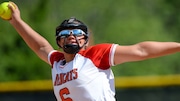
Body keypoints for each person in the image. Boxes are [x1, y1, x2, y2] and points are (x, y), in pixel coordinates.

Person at [6, 2, 180, 101]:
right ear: (58, 41)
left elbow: (141, 50)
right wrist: (16, 22)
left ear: (86, 40)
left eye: (78, 33)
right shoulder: (57, 62)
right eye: (65, 33)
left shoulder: (94, 55)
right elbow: (41, 47)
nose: (72, 35)